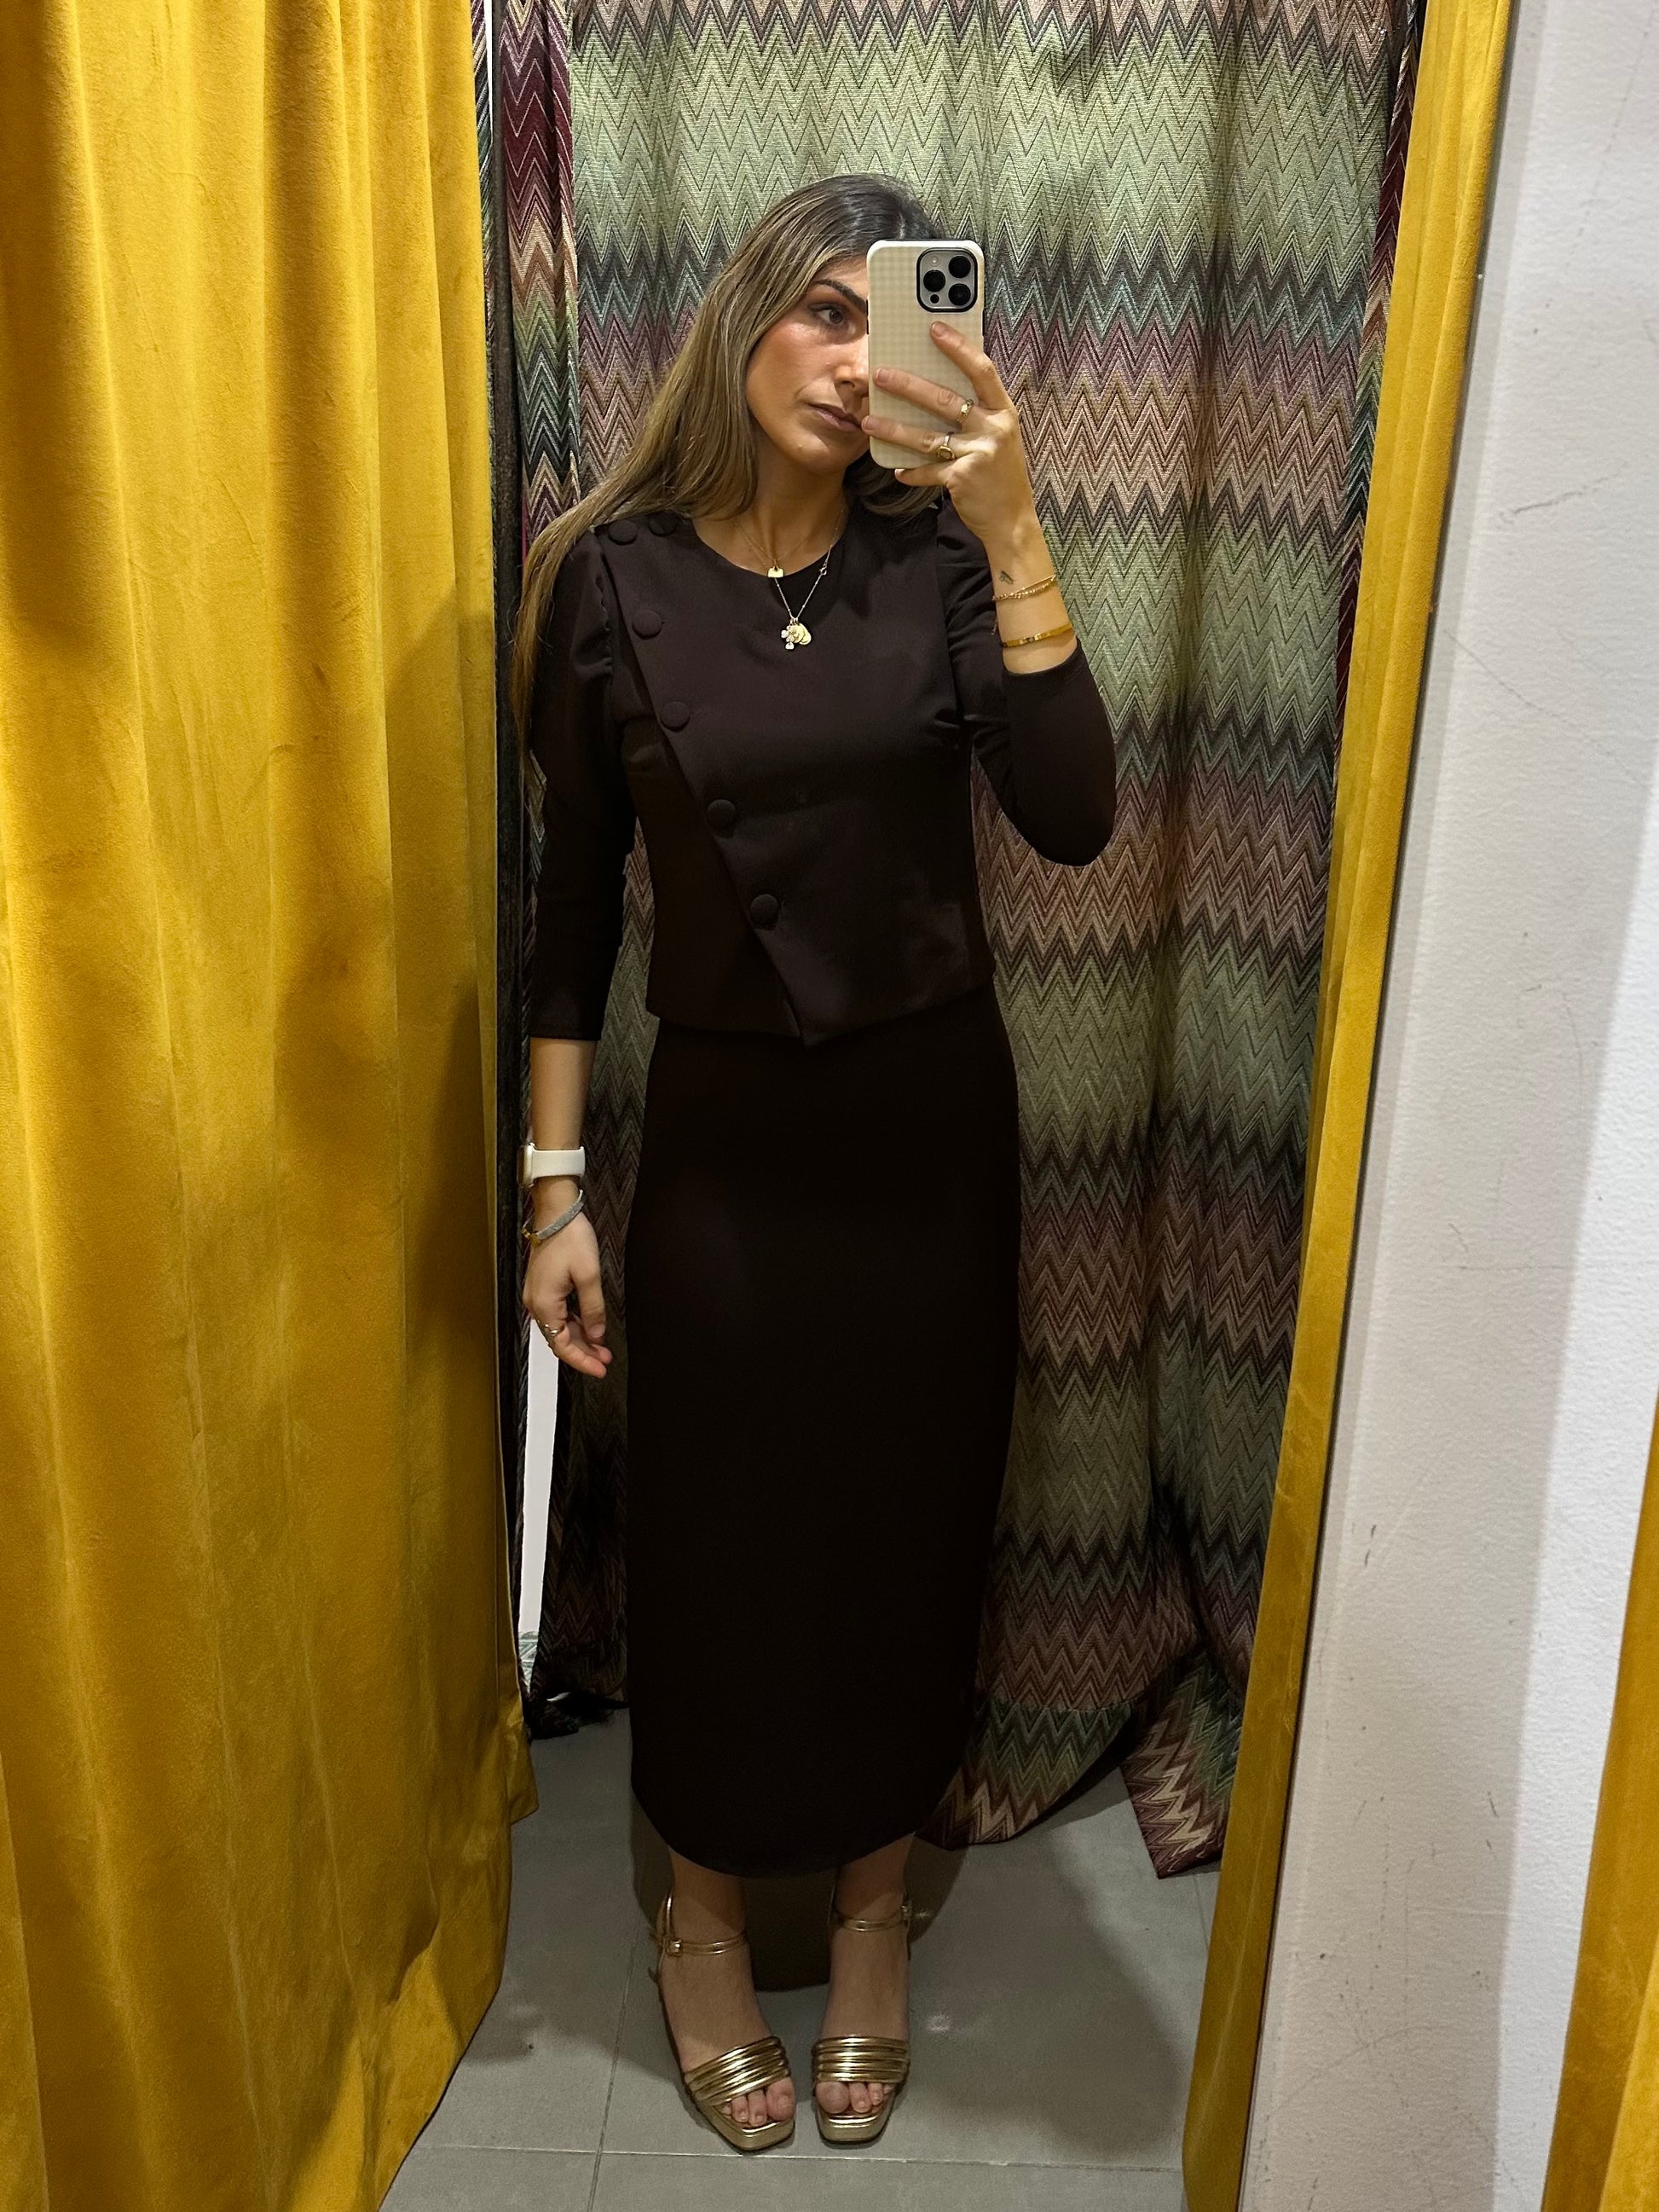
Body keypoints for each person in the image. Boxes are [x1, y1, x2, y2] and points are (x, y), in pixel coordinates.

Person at [512, 173, 1116, 2154]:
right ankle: (697, 1919)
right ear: (745, 318)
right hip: (726, 1148)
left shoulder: (938, 562)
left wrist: (1012, 528)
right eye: (824, 315)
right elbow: (569, 911)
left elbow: (1073, 812)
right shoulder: (606, 580)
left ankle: (868, 1917)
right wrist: (551, 1188)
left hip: (926, 1138)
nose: (858, 365)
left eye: (892, 323)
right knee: (714, 1532)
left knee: (902, 1522)